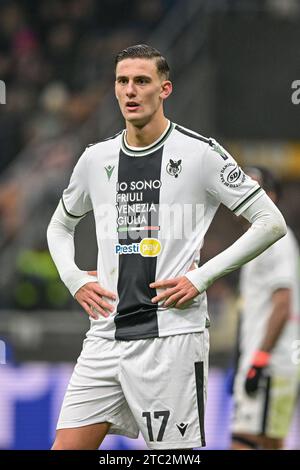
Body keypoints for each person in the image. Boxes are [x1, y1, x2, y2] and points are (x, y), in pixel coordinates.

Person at [47, 44, 287, 450]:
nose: (130, 91)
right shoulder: (95, 159)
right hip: (105, 337)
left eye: (142, 81)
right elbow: (58, 226)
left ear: (165, 89)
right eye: (122, 81)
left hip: (171, 340)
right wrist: (73, 278)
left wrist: (200, 277)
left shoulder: (201, 154)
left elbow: (271, 222)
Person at [230, 166, 300, 450]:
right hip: (268, 363)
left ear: (271, 196)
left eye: (254, 188)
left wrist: (258, 359)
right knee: (272, 444)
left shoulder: (277, 240)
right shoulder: (256, 241)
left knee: (243, 443)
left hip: (269, 365)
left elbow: (283, 305)